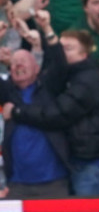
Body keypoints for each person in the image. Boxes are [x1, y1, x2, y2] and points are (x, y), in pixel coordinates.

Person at [5, 19, 99, 196]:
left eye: (68, 49)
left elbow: (57, 114)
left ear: (84, 54)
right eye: (60, 48)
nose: (61, 54)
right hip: (75, 163)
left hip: (89, 165)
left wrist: (17, 111)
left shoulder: (84, 81)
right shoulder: (70, 78)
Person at [0, 49, 70, 199]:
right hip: (17, 184)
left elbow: (60, 65)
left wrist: (47, 33)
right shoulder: (8, 93)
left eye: (23, 62)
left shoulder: (49, 90)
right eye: (13, 64)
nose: (18, 65)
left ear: (37, 68)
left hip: (54, 182)